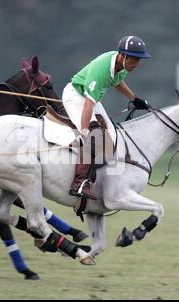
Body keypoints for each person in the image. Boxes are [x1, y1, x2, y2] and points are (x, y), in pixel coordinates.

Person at [62, 35, 151, 200]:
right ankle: (80, 182)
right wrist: (83, 131)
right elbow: (88, 103)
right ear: (122, 56)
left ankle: (102, 179)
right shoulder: (101, 69)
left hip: (92, 99)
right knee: (95, 135)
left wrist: (134, 99)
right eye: (135, 60)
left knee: (113, 137)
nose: (137, 64)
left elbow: (117, 82)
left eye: (139, 60)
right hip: (77, 96)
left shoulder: (121, 65)